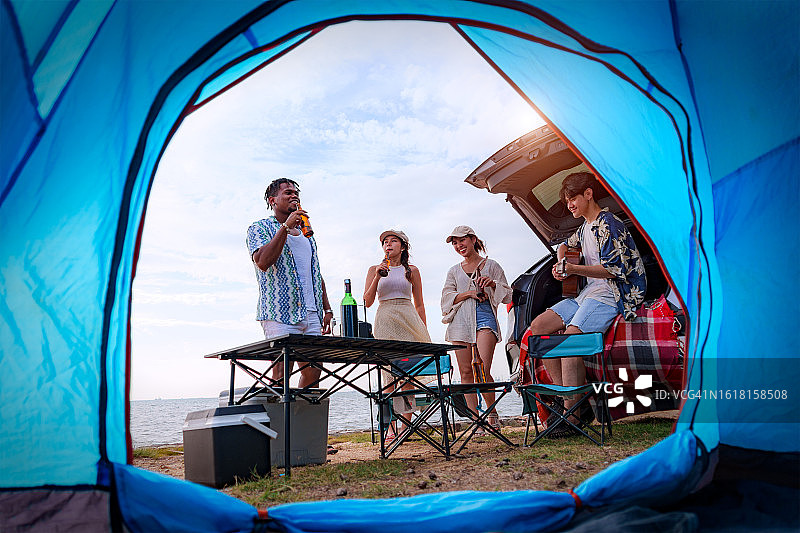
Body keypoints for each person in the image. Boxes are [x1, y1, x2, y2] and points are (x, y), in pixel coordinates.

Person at [529, 171, 646, 432]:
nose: (569, 205)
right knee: (538, 327)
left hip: (611, 294)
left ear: (589, 194)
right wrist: (562, 262)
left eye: (573, 199)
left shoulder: (609, 223)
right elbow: (563, 245)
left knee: (571, 339)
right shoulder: (584, 228)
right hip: (587, 294)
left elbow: (613, 270)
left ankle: (571, 418)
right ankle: (569, 402)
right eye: (567, 201)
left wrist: (573, 269)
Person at [246, 178, 334, 389]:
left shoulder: (307, 235)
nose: (294, 196)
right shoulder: (259, 228)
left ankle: (300, 410)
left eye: (296, 193)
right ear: (273, 200)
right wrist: (285, 227)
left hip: (311, 313)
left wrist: (327, 309)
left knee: (314, 372)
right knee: (281, 372)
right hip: (280, 312)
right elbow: (263, 262)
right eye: (288, 193)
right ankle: (278, 412)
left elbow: (315, 273)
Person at [441, 226, 512, 432]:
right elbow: (446, 298)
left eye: (462, 240)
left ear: (473, 239)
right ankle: (475, 420)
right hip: (460, 321)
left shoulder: (492, 265)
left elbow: (508, 295)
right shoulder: (453, 271)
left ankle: (492, 413)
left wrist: (493, 284)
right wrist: (469, 294)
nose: (458, 246)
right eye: (455, 243)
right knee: (465, 372)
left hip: (485, 317)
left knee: (482, 369)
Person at [363, 229, 432, 441]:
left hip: (408, 317)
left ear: (402, 247)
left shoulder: (412, 270)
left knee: (407, 375)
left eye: (393, 241)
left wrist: (423, 329)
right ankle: (390, 426)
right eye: (385, 241)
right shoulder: (374, 269)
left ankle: (406, 425)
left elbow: (419, 303)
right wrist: (377, 276)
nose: (388, 244)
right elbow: (367, 301)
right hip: (385, 318)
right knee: (388, 375)